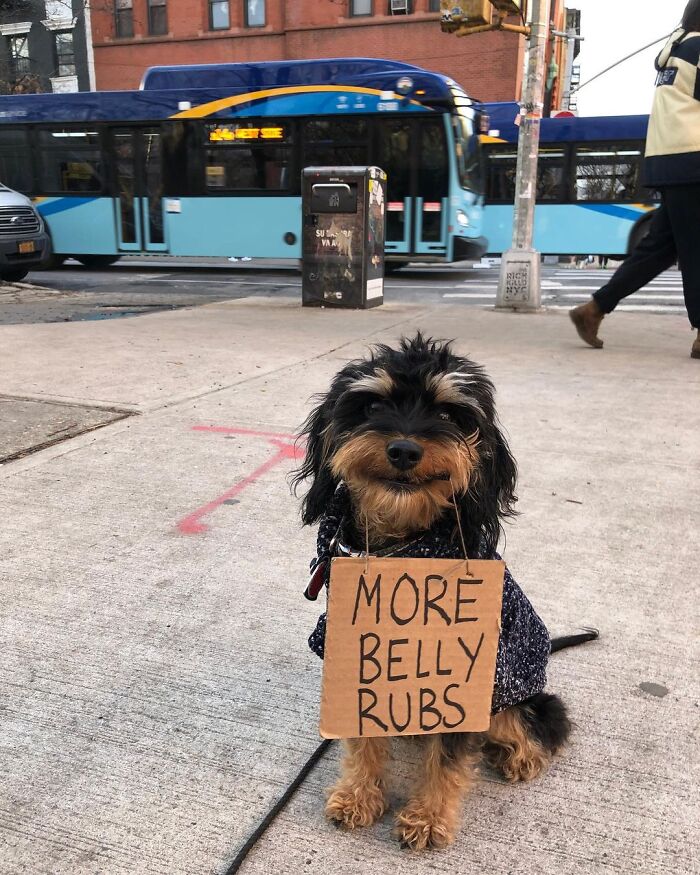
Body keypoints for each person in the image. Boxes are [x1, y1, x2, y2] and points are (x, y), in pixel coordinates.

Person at [570, 0, 700, 359]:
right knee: (695, 249)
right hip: (694, 159)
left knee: (660, 247)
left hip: (671, 159)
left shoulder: (676, 51)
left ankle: (593, 310)